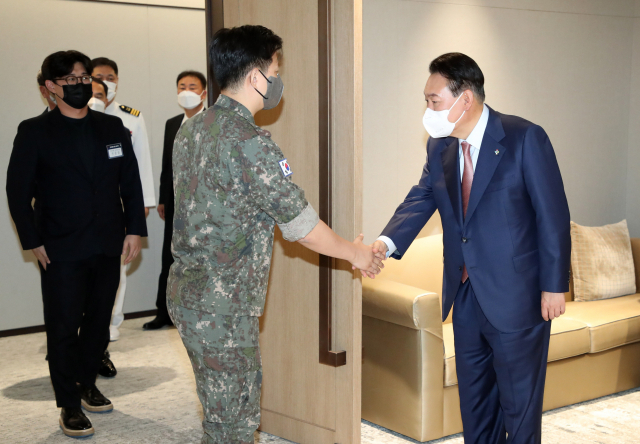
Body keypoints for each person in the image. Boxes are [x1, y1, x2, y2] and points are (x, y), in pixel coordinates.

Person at [169, 25, 381, 444]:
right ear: (255, 77)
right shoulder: (250, 143)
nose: (277, 81)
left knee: (218, 414)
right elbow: (302, 227)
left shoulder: (191, 128)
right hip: (223, 310)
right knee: (234, 426)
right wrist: (356, 253)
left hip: (187, 295)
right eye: (275, 70)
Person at [371, 53, 571, 444]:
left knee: (520, 411)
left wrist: (553, 286)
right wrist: (385, 242)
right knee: (476, 407)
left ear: (465, 99)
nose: (428, 110)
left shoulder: (524, 137)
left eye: (434, 100)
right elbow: (421, 198)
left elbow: (553, 214)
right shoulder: (440, 147)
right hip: (464, 296)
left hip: (518, 298)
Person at [6, 50, 147, 438]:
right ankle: (68, 403)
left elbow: (130, 183)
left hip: (107, 241)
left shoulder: (112, 128)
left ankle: (87, 383)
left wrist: (134, 229)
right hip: (59, 246)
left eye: (83, 77)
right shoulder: (34, 132)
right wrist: (32, 241)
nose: (79, 85)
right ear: (49, 87)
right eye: (69, 80)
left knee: (99, 321)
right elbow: (17, 193)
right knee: (65, 325)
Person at [92, 57, 155, 341]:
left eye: (111, 77)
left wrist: (144, 202)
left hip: (120, 201)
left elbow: (141, 161)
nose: (107, 82)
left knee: (119, 265)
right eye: (99, 76)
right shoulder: (72, 114)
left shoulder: (130, 116)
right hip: (87, 203)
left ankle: (112, 320)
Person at [144, 70, 207, 331]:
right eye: (182, 86)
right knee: (169, 256)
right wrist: (162, 198)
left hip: (203, 202)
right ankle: (165, 311)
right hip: (174, 202)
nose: (186, 91)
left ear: (204, 92)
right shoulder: (173, 123)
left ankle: (198, 309)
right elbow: (165, 165)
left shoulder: (211, 121)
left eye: (192, 86)